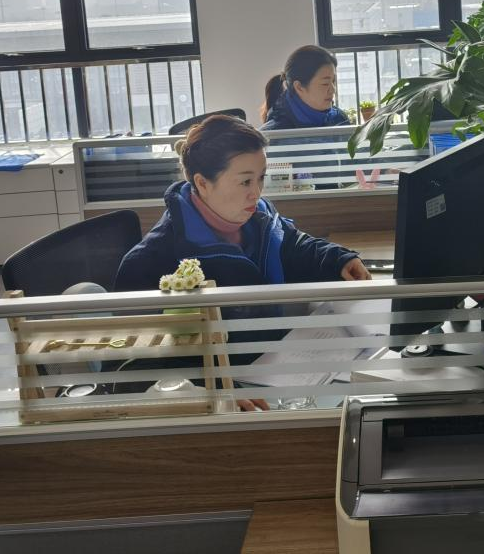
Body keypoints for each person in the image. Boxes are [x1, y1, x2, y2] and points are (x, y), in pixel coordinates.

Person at [114, 116, 370, 407]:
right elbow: (138, 368)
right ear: (202, 183)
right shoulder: (149, 263)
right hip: (227, 399)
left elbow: (292, 245)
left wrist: (337, 260)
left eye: (261, 178)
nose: (256, 192)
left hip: (277, 369)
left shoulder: (258, 217)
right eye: (245, 181)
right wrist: (220, 389)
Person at [260, 45, 350, 130]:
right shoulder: (275, 133)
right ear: (299, 87)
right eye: (325, 83)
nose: (333, 90)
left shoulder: (340, 120)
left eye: (333, 81)